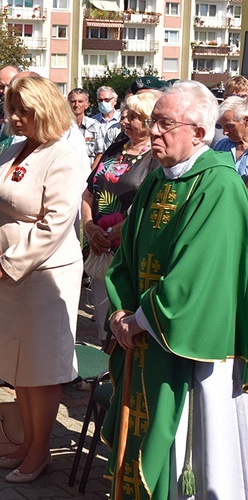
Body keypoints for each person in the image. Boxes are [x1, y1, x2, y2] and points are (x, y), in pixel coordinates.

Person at [103, 80, 248, 499]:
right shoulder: (156, 180)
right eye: (153, 122)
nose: (153, 132)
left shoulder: (219, 186)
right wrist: (119, 313)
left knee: (197, 456)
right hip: (143, 333)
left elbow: (198, 275)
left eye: (165, 124)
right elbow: (126, 259)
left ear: (199, 132)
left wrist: (140, 319)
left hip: (193, 346)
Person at [0, 76, 87, 483]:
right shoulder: (15, 149)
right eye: (11, 110)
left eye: (23, 111)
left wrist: (9, 262)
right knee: (18, 365)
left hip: (44, 276)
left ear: (44, 110)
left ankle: (40, 451)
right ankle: (25, 442)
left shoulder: (64, 154)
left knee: (41, 368)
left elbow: (56, 222)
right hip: (6, 270)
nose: (14, 118)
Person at [81, 91, 161, 341]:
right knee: (103, 310)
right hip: (98, 245)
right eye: (124, 115)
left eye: (133, 116)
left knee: (123, 314)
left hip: (128, 246)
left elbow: (150, 204)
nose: (125, 120)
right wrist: (90, 227)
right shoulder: (115, 148)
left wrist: (116, 231)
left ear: (149, 121)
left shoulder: (156, 156)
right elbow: (88, 190)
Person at [213, 95, 248, 181]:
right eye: (222, 126)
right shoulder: (221, 146)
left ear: (246, 121)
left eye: (229, 126)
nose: (224, 132)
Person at [67, 88, 104, 168]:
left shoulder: (95, 126)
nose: (76, 105)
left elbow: (100, 153)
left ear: (87, 105)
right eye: (73, 101)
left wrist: (90, 174)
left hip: (87, 172)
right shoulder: (61, 126)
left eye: (80, 101)